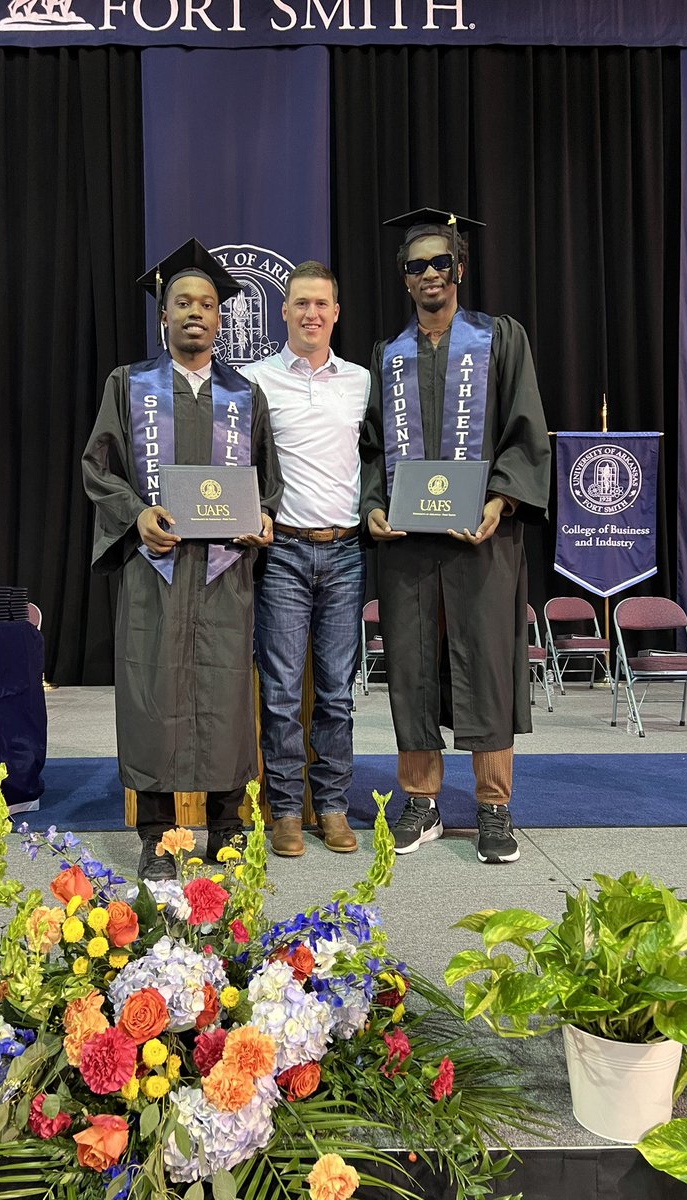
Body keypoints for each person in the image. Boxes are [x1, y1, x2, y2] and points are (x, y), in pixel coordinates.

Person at [82, 239, 283, 882]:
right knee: (153, 693)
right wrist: (136, 514)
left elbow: (267, 481)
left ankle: (226, 829)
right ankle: (160, 835)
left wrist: (263, 519)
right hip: (155, 569)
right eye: (181, 303)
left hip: (223, 573)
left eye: (206, 303)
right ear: (163, 316)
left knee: (224, 696)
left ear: (221, 319)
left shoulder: (243, 395)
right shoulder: (130, 384)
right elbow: (97, 467)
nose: (195, 312)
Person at [360, 208, 550, 864]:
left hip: (483, 540)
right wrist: (374, 506)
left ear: (460, 270)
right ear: (405, 281)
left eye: (442, 262)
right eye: (418, 266)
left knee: (489, 670)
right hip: (409, 548)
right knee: (411, 669)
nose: (431, 273)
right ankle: (421, 799)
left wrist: (500, 499)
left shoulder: (500, 339)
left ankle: (494, 807)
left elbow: (526, 429)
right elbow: (371, 451)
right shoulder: (387, 358)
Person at [240, 262, 370, 857]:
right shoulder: (253, 380)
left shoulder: (363, 382)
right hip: (284, 552)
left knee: (339, 691)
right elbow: (239, 464)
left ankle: (335, 807)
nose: (311, 313)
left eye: (322, 303)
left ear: (335, 313)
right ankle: (288, 810)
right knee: (283, 691)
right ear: (284, 312)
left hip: (345, 551)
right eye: (300, 303)